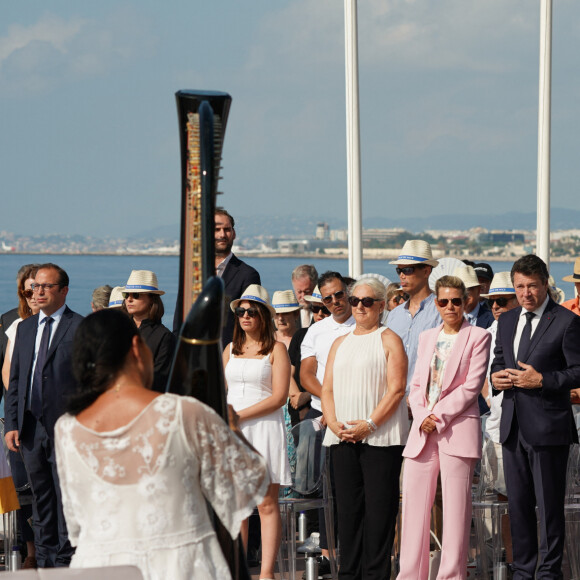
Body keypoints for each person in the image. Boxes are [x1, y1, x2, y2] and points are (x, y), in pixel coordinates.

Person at [54, 308, 269, 580]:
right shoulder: (182, 412)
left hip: (98, 566)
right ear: (136, 347)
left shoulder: (66, 428)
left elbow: (75, 522)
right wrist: (232, 426)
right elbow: (252, 480)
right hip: (181, 568)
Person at [490, 254, 580, 578]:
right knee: (518, 507)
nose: (526, 293)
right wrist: (495, 378)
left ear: (545, 284)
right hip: (513, 427)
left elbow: (577, 371)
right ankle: (524, 571)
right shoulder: (507, 320)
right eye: (519, 287)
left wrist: (542, 380)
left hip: (548, 428)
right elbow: (499, 361)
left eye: (532, 286)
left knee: (550, 508)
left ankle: (548, 573)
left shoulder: (566, 322)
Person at [397, 275, 491, 580]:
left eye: (456, 301)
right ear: (436, 303)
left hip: (456, 429)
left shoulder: (479, 336)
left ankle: (451, 576)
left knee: (456, 512)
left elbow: (471, 387)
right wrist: (422, 414)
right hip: (422, 432)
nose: (450, 306)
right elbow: (416, 384)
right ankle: (410, 575)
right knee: (412, 508)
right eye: (443, 301)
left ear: (465, 302)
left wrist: (436, 417)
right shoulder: (426, 337)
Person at [321, 278, 408, 580]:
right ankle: (348, 574)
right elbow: (327, 389)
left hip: (381, 439)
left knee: (380, 514)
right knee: (347, 513)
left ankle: (375, 575)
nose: (359, 306)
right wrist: (333, 424)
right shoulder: (339, 342)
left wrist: (368, 425)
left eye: (367, 301)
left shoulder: (390, 339)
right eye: (355, 300)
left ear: (382, 305)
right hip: (342, 437)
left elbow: (396, 390)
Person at [4, 263, 84, 567]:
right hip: (29, 428)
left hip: (66, 428)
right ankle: (46, 559)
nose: (37, 292)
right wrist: (12, 423)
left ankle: (66, 560)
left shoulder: (78, 326)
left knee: (66, 496)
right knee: (40, 497)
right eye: (35, 286)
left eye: (45, 287)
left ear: (63, 290)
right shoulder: (24, 328)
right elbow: (15, 381)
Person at [223, 284, 291, 580]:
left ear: (264, 315)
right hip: (233, 431)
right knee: (237, 504)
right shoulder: (230, 349)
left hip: (262, 428)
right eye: (241, 311)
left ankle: (266, 574)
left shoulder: (277, 349)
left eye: (252, 311)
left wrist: (238, 415)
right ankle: (239, 570)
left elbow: (279, 397)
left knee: (265, 503)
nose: (246, 316)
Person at [300, 271, 355, 575]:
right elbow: (306, 374)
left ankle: (351, 553)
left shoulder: (366, 325)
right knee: (327, 491)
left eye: (339, 294)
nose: (335, 302)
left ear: (349, 292)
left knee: (352, 491)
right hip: (325, 418)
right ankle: (327, 555)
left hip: (359, 420)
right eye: (327, 298)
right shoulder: (316, 332)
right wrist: (331, 400)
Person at [1, 264, 40, 568]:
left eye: (38, 287)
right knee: (21, 488)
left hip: (44, 420)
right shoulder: (9, 324)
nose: (33, 294)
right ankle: (29, 552)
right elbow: (5, 374)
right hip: (17, 417)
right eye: (28, 289)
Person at [387, 240, 441, 394]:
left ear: (426, 271)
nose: (402, 275)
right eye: (399, 270)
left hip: (427, 401)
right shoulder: (394, 315)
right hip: (393, 401)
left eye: (408, 269)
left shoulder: (441, 311)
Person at [123, 270, 176, 393]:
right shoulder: (119, 330)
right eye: (126, 295)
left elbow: (160, 378)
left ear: (152, 299)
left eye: (136, 295)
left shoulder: (164, 336)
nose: (129, 299)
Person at [287, 287, 330, 425]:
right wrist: (298, 399)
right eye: (315, 309)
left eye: (325, 309)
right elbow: (288, 372)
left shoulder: (339, 338)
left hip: (323, 406)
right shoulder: (300, 335)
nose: (320, 314)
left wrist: (308, 396)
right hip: (298, 408)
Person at [454, 265, 494, 329]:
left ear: (478, 290)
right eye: (459, 290)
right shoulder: (447, 317)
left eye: (468, 289)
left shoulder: (492, 319)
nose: (464, 295)